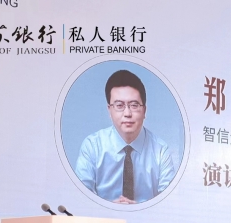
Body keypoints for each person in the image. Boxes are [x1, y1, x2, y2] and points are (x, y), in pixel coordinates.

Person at [74, 69, 176, 204]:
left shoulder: (161, 150)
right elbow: (80, 198)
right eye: (119, 105)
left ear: (144, 110)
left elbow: (169, 202)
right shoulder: (92, 146)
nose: (127, 113)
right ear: (109, 110)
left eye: (134, 105)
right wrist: (109, 209)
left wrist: (139, 209)